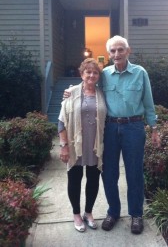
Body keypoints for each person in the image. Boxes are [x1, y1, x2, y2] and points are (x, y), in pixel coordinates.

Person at [63, 36, 160, 235]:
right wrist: (70, 91)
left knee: (134, 173)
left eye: (120, 50)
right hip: (109, 130)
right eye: (113, 51)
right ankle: (113, 212)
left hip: (134, 127)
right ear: (109, 54)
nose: (116, 54)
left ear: (128, 51)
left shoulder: (140, 73)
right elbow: (88, 85)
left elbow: (149, 103)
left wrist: (154, 129)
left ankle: (136, 214)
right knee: (109, 174)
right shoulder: (105, 74)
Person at [58, 58, 107, 232]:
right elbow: (61, 121)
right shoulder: (71, 92)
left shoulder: (102, 94)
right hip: (74, 145)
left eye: (95, 72)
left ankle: (88, 212)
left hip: (95, 145)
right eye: (88, 71)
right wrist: (64, 146)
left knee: (93, 180)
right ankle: (76, 214)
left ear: (98, 76)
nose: (92, 75)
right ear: (82, 74)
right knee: (75, 179)